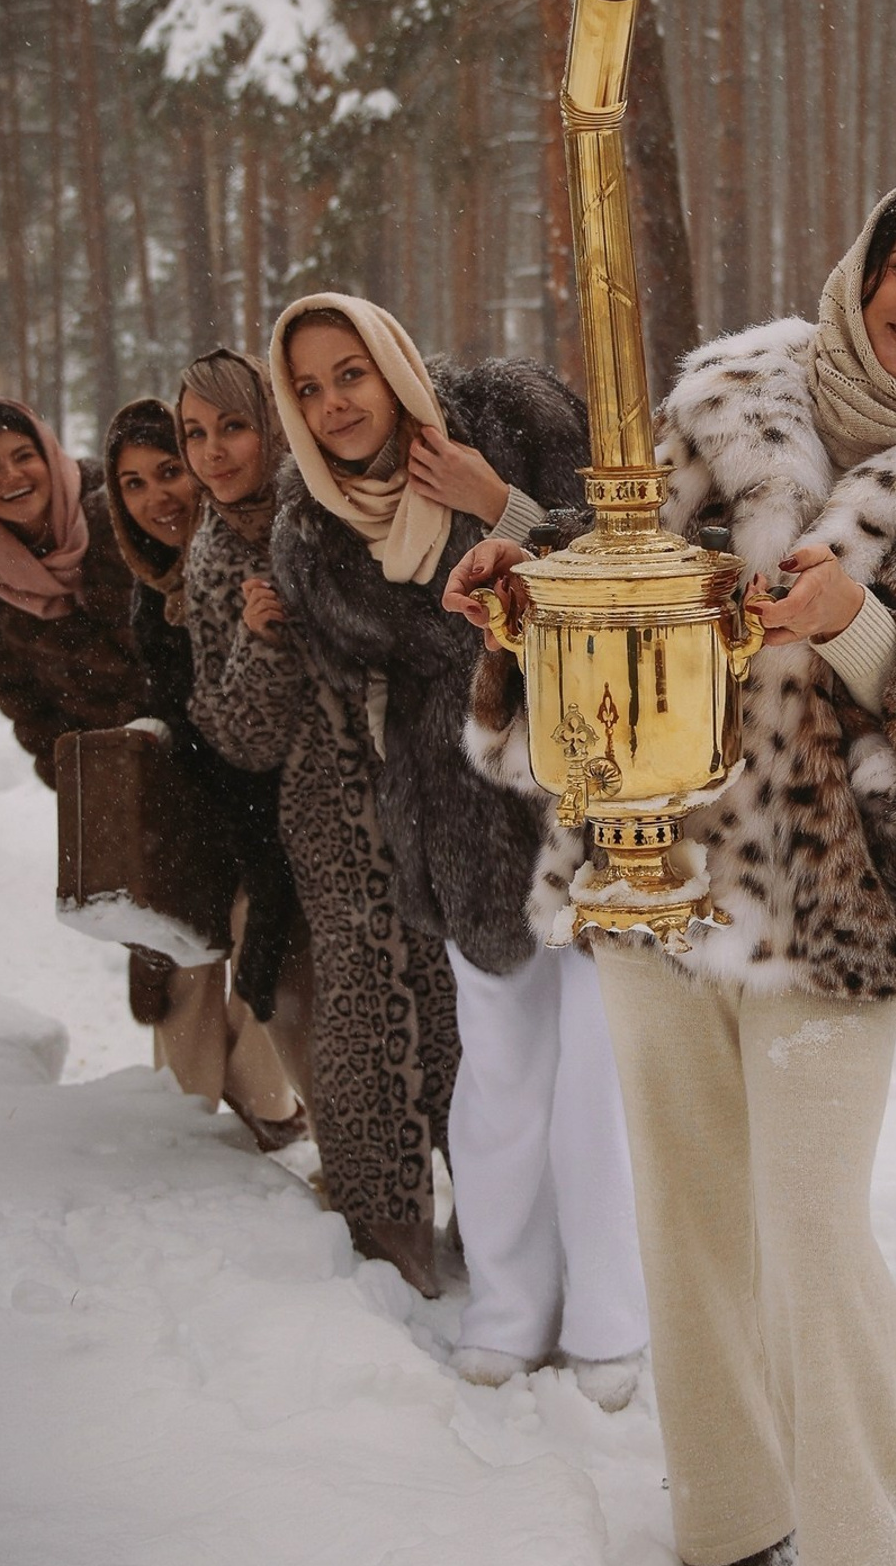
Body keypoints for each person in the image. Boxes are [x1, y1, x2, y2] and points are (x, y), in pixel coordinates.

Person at [449, 178, 896, 1566]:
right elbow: (619, 568)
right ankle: (727, 1528)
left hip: (839, 912)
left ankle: (861, 1544)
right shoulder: (725, 405)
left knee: (814, 1238)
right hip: (655, 871)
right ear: (864, 267)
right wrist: (519, 591)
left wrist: (861, 630)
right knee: (691, 1225)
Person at [267, 292, 647, 1405]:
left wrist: (506, 511)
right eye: (308, 388)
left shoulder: (515, 420)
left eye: (350, 372)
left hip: (588, 793)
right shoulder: (312, 530)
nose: (335, 403)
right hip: (460, 822)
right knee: (500, 1087)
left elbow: (637, 563)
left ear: (393, 362)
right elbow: (364, 669)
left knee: (601, 1080)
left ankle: (614, 1318)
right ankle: (509, 1304)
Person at [175, 346, 459, 1298]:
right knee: (363, 1011)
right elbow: (233, 734)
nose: (216, 454)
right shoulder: (212, 561)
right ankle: (385, 1223)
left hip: (419, 781)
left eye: (235, 427)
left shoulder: (332, 508)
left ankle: (499, 1206)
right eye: (196, 436)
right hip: (322, 819)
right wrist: (263, 648)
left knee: (455, 1004)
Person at [103, 396, 308, 1150]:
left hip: (270, 803)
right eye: (132, 484)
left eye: (167, 471)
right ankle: (181, 1132)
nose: (157, 496)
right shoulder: (148, 590)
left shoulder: (258, 550)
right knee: (178, 957)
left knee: (262, 937)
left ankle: (270, 1105)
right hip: (194, 808)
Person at [0, 398, 174, 1041]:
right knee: (167, 945)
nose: (13, 475)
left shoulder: (119, 508)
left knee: (251, 938)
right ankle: (205, 1111)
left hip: (209, 745)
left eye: (23, 455)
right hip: (120, 789)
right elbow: (31, 718)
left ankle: (266, 1098)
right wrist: (97, 789)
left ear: (48, 453)